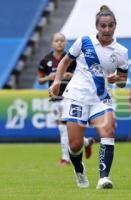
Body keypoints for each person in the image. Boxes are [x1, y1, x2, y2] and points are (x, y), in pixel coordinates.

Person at [49, 5, 128, 189]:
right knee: (75, 145)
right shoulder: (84, 42)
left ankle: (104, 178)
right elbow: (65, 61)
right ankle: (79, 169)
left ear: (115, 26)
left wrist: (117, 79)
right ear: (97, 26)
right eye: (103, 26)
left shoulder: (121, 52)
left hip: (100, 98)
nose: (107, 29)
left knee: (108, 131)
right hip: (76, 96)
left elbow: (123, 80)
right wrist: (56, 82)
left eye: (110, 25)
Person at [38, 32, 95, 166]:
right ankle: (86, 142)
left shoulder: (71, 58)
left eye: (62, 41)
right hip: (55, 97)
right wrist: (48, 78)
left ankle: (66, 158)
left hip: (70, 96)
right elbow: (40, 79)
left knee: (63, 127)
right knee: (64, 128)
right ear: (52, 43)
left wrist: (71, 75)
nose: (59, 43)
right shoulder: (45, 60)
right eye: (57, 40)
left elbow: (83, 73)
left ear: (66, 43)